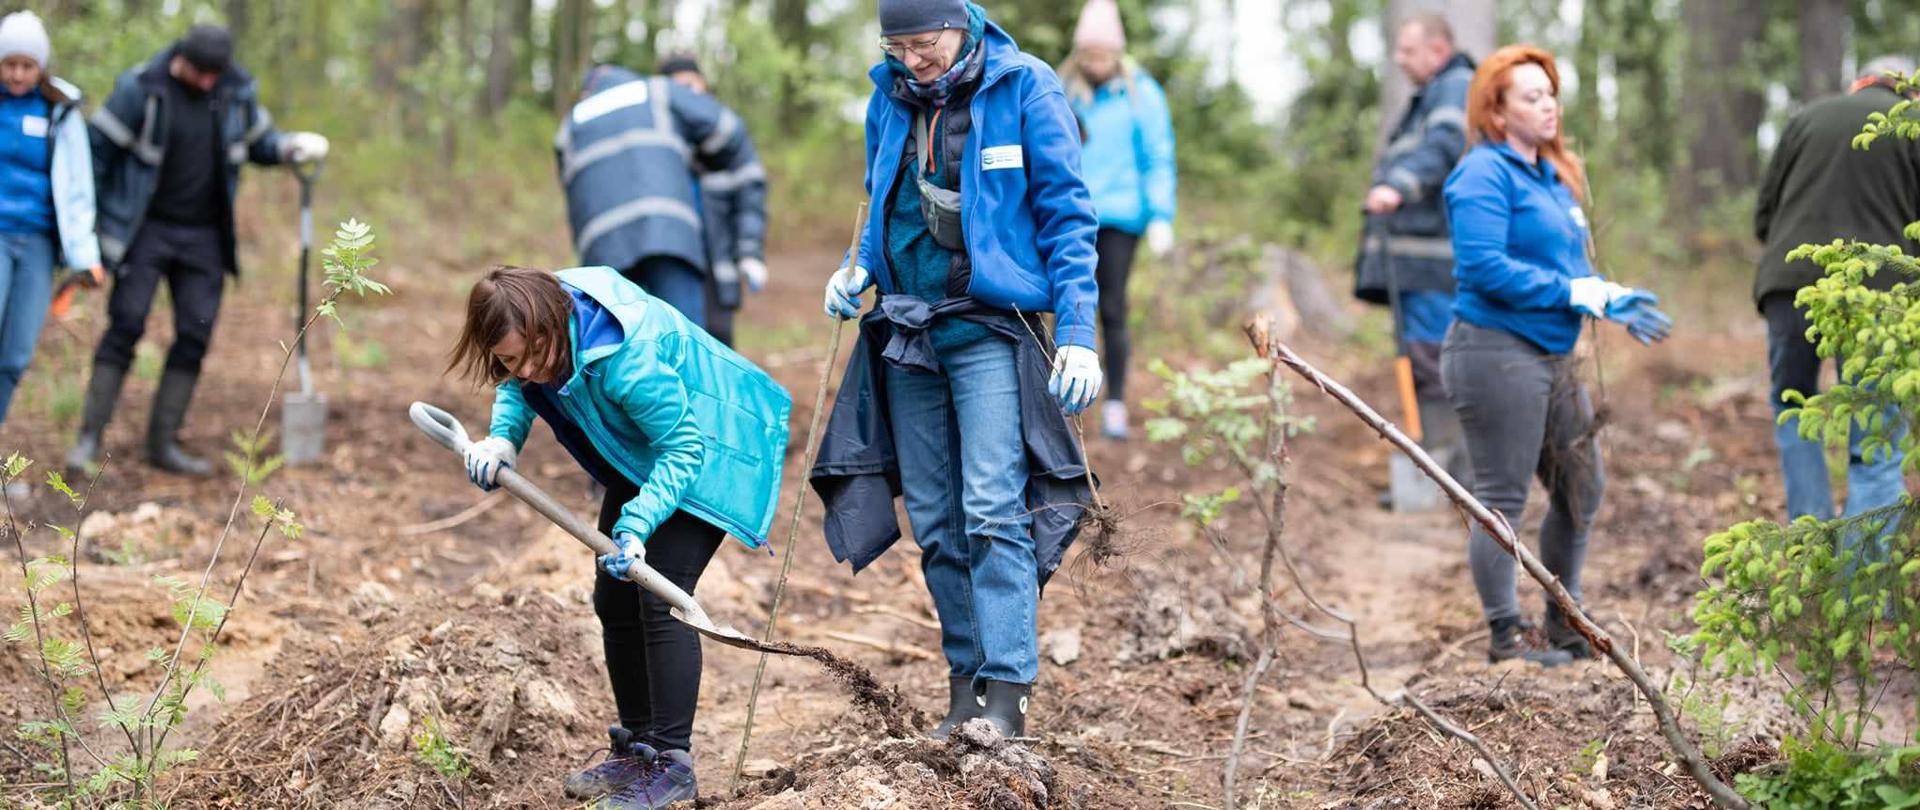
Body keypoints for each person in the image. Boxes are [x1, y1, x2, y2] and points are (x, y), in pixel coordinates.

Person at [811, 0, 1102, 740]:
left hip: (988, 329)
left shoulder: (1025, 86)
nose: (914, 60)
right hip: (907, 332)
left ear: (961, 23)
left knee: (992, 509)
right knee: (937, 521)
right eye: (897, 46)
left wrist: (1078, 333)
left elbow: (1069, 218)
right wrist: (856, 269)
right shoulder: (888, 97)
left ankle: (1008, 693)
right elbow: (883, 204)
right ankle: (966, 688)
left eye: (925, 43)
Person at [451, 265, 791, 808]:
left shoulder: (626, 358)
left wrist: (635, 527)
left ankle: (674, 765)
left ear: (555, 320)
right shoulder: (530, 333)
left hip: (708, 452)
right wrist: (503, 440)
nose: (530, 369)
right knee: (613, 598)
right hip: (642, 455)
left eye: (535, 352)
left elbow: (684, 448)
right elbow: (517, 386)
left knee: (660, 595)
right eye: (513, 359)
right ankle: (639, 749)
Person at [1440, 45, 1671, 667]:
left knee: (1581, 487)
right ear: (1496, 112)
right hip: (1494, 350)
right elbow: (1484, 268)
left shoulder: (1551, 174)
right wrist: (1572, 292)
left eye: (1551, 94)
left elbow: (1565, 264)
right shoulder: (1482, 174)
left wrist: (1605, 293)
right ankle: (1505, 635)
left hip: (1553, 355)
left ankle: (1566, 622)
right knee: (1502, 497)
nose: (1549, 106)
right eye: (1532, 96)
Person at [67, 24, 328, 475]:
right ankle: (88, 439)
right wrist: (88, 226)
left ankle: (162, 443)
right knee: (126, 324)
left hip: (205, 236)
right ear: (181, 59)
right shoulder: (140, 89)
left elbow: (259, 142)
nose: (207, 82)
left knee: (195, 334)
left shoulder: (235, 92)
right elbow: (95, 153)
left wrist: (288, 147)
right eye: (200, 72)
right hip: (144, 230)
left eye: (214, 75)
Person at [1753, 55, 1919, 523]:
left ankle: (1811, 536)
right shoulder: (1911, 123)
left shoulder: (1806, 118)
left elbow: (1764, 217)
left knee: (1794, 404)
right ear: (1909, 88)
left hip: (1790, 286)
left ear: (1859, 82)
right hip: (1881, 297)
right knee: (1876, 441)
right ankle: (1860, 565)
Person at [556, 61, 763, 332]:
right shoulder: (657, 90)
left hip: (603, 253)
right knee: (683, 337)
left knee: (627, 342)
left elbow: (572, 194)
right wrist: (702, 153)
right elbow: (729, 129)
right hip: (668, 234)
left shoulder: (569, 125)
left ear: (586, 92)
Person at [1356, 12, 1475, 482]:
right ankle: (1434, 463)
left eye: (1408, 50)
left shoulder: (1455, 87)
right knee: (1420, 357)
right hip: (1413, 262)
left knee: (1434, 358)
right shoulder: (1430, 94)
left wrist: (1398, 185)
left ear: (1438, 50)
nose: (1399, 58)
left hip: (1433, 262)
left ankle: (1451, 471)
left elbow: (1446, 146)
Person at [1055, 0, 1176, 440]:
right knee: (1065, 302)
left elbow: (1157, 156)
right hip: (1069, 213)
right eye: (1088, 55)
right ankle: (1060, 398)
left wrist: (1160, 214)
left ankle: (1116, 403)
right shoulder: (1061, 90)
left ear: (1117, 54)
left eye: (1103, 56)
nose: (1096, 64)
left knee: (1112, 307)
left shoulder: (1142, 94)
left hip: (1120, 218)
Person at [0, 11, 101, 434]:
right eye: (9, 64)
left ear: (40, 67)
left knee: (16, 355)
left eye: (27, 65)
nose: (17, 74)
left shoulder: (61, 111)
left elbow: (78, 187)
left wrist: (86, 255)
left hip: (39, 243)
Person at [658, 51, 770, 348]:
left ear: (703, 83)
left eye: (690, 83)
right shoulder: (658, 144)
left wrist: (750, 251)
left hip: (716, 265)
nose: (687, 92)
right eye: (676, 87)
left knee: (717, 344)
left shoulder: (726, 134)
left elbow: (749, 196)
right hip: (674, 260)